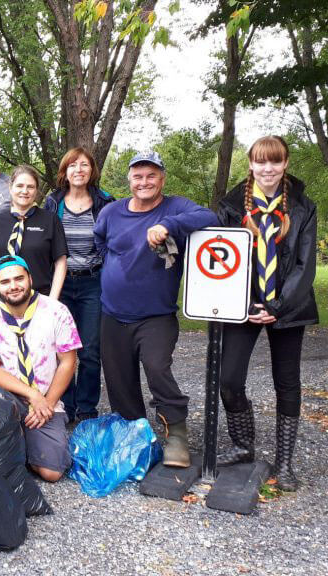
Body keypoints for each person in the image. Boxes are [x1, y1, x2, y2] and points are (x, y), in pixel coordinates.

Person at [93, 150, 219, 468]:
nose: (144, 182)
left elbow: (211, 218)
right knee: (118, 379)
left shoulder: (175, 207)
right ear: (129, 180)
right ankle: (133, 435)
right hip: (112, 313)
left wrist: (168, 225)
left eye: (151, 175)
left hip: (156, 315)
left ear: (162, 179)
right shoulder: (111, 212)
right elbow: (101, 244)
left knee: (157, 367)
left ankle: (176, 433)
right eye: (138, 176)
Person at [216, 136, 318, 491]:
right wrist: (244, 304)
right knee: (229, 379)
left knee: (286, 382)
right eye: (261, 161)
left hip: (288, 307)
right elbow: (223, 260)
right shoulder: (231, 207)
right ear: (251, 164)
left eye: (275, 161)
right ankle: (243, 445)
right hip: (243, 306)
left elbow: (305, 264)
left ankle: (285, 462)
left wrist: (276, 307)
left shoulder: (303, 207)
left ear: (285, 163)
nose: (268, 168)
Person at [0, 255, 80, 482]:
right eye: (5, 282)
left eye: (19, 279)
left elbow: (68, 362)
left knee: (52, 473)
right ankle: (20, 442)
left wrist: (47, 403)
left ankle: (26, 444)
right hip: (5, 402)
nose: (13, 286)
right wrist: (32, 395)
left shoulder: (56, 311)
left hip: (47, 399)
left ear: (30, 279)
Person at [42, 148, 115, 424]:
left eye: (84, 165)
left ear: (92, 170)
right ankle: (66, 404)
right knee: (61, 347)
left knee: (90, 350)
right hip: (60, 283)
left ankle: (86, 408)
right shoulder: (53, 202)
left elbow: (113, 241)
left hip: (93, 282)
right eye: (73, 165)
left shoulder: (104, 202)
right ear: (65, 171)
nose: (79, 170)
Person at [0, 164, 67, 305]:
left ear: (36, 190)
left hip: (39, 301)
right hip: (0, 303)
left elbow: (61, 262)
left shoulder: (50, 220)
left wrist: (52, 302)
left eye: (30, 187)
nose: (24, 191)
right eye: (19, 186)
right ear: (10, 188)